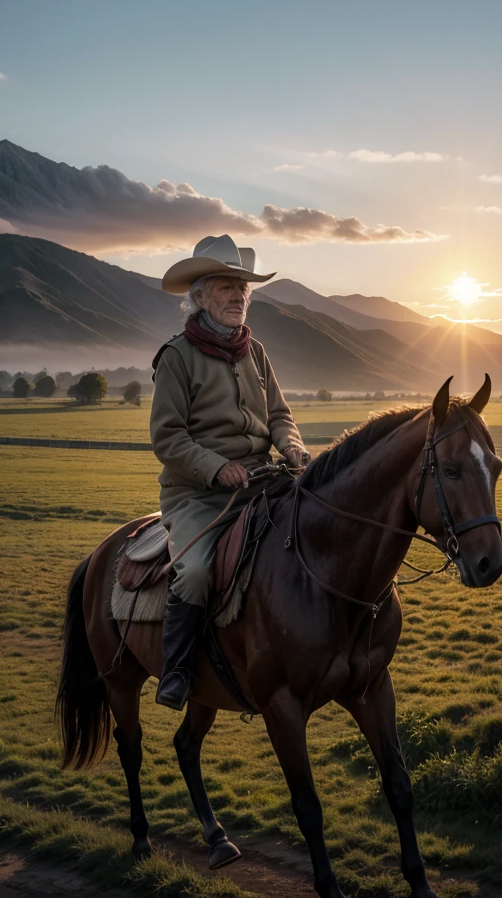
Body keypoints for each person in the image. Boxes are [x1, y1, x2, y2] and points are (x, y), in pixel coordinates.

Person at [150, 234, 310, 710]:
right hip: (198, 496)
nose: (238, 295)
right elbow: (168, 438)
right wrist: (217, 469)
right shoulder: (176, 358)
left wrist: (293, 447)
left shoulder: (255, 351)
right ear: (199, 296)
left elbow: (279, 415)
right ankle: (177, 671)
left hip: (264, 482)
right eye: (225, 286)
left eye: (242, 287)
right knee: (196, 571)